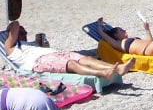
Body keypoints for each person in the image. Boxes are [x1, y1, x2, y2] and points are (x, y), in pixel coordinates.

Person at [3, 21, 132, 81]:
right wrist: (13, 28)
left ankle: (118, 68)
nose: (25, 31)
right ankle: (104, 73)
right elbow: (15, 23)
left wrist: (45, 47)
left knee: (87, 59)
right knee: (72, 64)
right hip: (39, 62)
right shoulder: (10, 47)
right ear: (12, 35)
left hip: (52, 55)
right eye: (22, 31)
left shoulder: (28, 44)